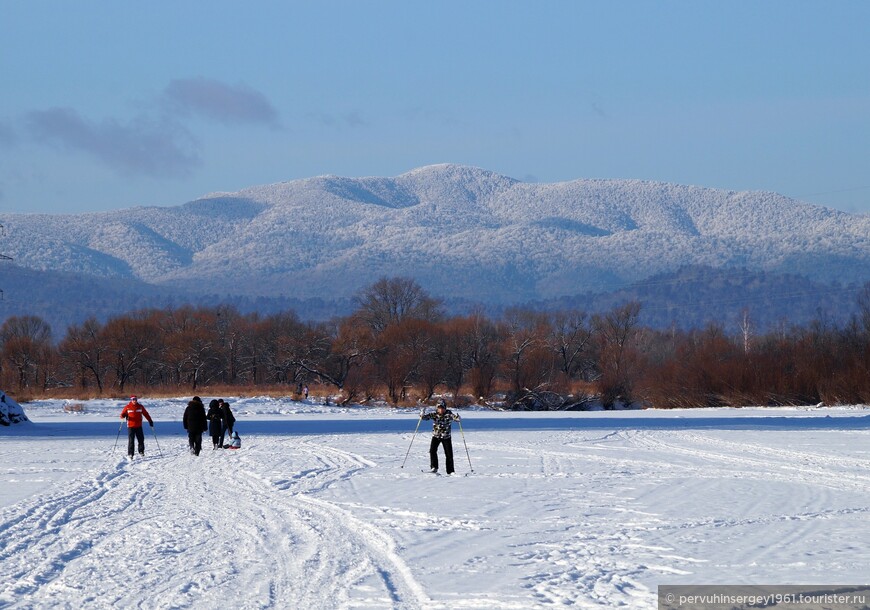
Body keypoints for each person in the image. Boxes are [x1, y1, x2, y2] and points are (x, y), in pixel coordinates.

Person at [421, 399, 461, 474]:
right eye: (439, 408)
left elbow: (455, 418)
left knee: (449, 454)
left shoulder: (448, 414)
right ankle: (434, 467)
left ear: (445, 408)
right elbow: (425, 417)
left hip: (446, 437)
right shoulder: (435, 414)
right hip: (436, 436)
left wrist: (458, 418)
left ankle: (450, 471)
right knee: (432, 451)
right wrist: (422, 415)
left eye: (442, 408)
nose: (441, 410)